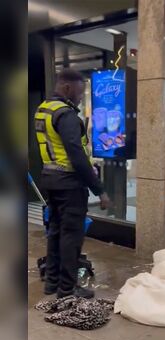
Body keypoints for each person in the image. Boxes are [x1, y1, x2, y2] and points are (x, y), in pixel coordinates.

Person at [35, 68, 110, 299]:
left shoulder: (44, 110)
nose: (80, 96)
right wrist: (99, 189)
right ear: (67, 87)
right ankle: (68, 289)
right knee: (71, 237)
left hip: (51, 181)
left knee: (56, 232)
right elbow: (76, 155)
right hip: (69, 185)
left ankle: (52, 284)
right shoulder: (66, 115)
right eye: (79, 92)